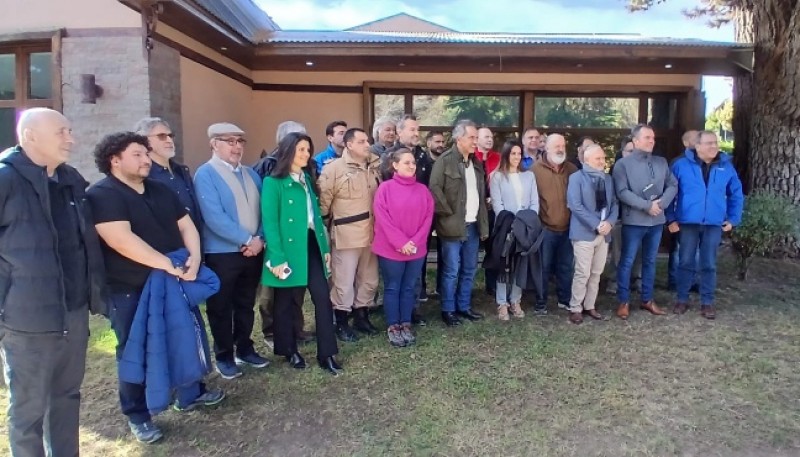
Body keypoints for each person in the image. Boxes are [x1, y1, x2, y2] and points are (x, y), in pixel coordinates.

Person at [88, 131, 224, 444]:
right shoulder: (104, 194)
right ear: (115, 159)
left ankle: (190, 392)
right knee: (134, 350)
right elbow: (121, 240)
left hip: (174, 279)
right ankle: (138, 414)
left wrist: (194, 258)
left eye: (146, 154)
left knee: (185, 335)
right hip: (129, 288)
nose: (146, 159)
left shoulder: (160, 189)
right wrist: (166, 264)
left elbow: (186, 225)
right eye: (137, 154)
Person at [0, 108, 107, 456]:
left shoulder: (70, 180)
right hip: (26, 320)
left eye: (70, 131)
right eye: (61, 132)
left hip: (73, 313)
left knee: (67, 397)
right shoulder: (5, 179)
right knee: (28, 411)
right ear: (30, 135)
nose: (71, 139)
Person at [261, 132, 342, 375]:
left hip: (311, 244)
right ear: (288, 152)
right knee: (285, 302)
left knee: (322, 298)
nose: (306, 154)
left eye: (308, 149)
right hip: (286, 248)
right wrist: (276, 256)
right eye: (301, 150)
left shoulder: (307, 178)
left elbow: (316, 217)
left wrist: (324, 248)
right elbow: (270, 222)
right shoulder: (272, 183)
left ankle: (327, 353)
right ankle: (289, 350)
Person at [194, 123, 269, 379]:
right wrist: (246, 239)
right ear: (214, 143)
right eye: (230, 141)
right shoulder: (206, 174)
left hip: (254, 250)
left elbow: (264, 211)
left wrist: (259, 238)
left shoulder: (251, 174)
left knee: (246, 303)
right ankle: (224, 355)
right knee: (221, 306)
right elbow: (214, 217)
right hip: (223, 253)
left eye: (240, 141)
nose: (236, 147)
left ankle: (245, 348)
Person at [667, 131, 743, 319]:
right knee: (685, 261)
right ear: (697, 146)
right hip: (687, 223)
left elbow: (736, 193)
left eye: (715, 143)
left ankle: (707, 302)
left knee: (708, 263)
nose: (714, 146)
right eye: (709, 143)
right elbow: (669, 193)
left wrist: (733, 219)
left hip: (713, 224)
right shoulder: (680, 165)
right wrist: (671, 219)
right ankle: (682, 299)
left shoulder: (726, 166)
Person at [251, 120, 313, 349]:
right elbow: (264, 208)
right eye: (298, 140)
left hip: (300, 239)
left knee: (297, 286)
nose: (304, 148)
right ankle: (271, 332)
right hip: (274, 239)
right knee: (271, 291)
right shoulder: (267, 167)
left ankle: (296, 328)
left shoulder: (308, 167)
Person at [318, 127, 382, 342]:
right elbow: (323, 205)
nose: (367, 145)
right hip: (347, 235)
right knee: (343, 282)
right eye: (362, 141)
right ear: (349, 144)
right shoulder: (334, 169)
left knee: (369, 279)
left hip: (372, 234)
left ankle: (362, 316)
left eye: (368, 141)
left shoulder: (375, 166)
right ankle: (342, 321)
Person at [612, 124, 678, 320]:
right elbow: (622, 192)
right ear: (635, 141)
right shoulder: (622, 165)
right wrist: (646, 205)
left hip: (656, 221)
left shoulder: (661, 162)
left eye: (653, 138)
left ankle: (647, 299)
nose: (652, 141)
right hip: (634, 221)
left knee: (650, 261)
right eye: (647, 137)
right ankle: (623, 301)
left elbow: (672, 184)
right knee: (627, 261)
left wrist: (662, 203)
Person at [429, 120, 489, 326]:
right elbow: (434, 190)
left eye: (476, 137)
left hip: (472, 226)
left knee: (469, 269)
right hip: (452, 227)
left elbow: (480, 195)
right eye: (471, 137)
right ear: (458, 138)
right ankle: (448, 310)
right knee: (451, 271)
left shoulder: (476, 163)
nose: (475, 141)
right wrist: (449, 215)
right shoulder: (444, 161)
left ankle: (463, 307)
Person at [372, 148, 434, 346]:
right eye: (406, 162)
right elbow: (383, 219)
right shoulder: (385, 189)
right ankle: (393, 326)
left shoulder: (423, 190)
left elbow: (427, 219)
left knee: (408, 288)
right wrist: (401, 243)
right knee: (393, 287)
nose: (411, 166)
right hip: (391, 249)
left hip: (416, 249)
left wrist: (413, 242)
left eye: (413, 162)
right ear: (395, 165)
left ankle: (405, 323)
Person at [566, 144, 618, 324]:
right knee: (582, 272)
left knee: (596, 273)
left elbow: (614, 204)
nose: (602, 162)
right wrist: (596, 224)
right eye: (598, 158)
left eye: (603, 158)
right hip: (583, 233)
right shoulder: (576, 178)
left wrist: (609, 223)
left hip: (604, 234)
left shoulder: (608, 179)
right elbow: (575, 206)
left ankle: (590, 305)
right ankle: (575, 307)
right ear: (587, 160)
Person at [488, 139, 540, 320]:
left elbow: (535, 203)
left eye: (519, 154)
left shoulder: (529, 176)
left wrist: (526, 222)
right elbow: (497, 204)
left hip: (524, 227)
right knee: (504, 265)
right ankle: (502, 302)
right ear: (506, 155)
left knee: (520, 264)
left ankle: (515, 300)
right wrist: (509, 223)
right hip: (505, 227)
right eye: (513, 153)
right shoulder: (497, 177)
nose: (517, 157)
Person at [532, 134, 579, 314]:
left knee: (566, 266)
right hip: (546, 228)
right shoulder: (535, 171)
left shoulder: (572, 169)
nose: (560, 149)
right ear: (547, 148)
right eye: (556, 146)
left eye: (563, 146)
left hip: (568, 228)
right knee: (543, 267)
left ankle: (564, 299)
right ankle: (541, 302)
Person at [133, 117, 203, 231]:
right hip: (167, 245)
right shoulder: (144, 175)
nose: (169, 140)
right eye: (161, 136)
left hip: (195, 242)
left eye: (170, 136)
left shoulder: (181, 171)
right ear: (144, 140)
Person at [605, 136, 641, 295]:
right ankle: (615, 281)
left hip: (639, 217)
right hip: (620, 217)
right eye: (630, 151)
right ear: (622, 152)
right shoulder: (616, 169)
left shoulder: (644, 168)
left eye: (636, 151)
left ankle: (635, 279)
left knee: (638, 250)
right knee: (619, 252)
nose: (633, 154)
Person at [667, 129, 699, 291]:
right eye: (696, 138)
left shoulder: (706, 162)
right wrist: (671, 218)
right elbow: (671, 191)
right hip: (680, 215)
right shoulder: (677, 163)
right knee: (678, 250)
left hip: (698, 217)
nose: (700, 140)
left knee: (696, 250)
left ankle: (691, 282)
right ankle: (674, 281)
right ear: (686, 143)